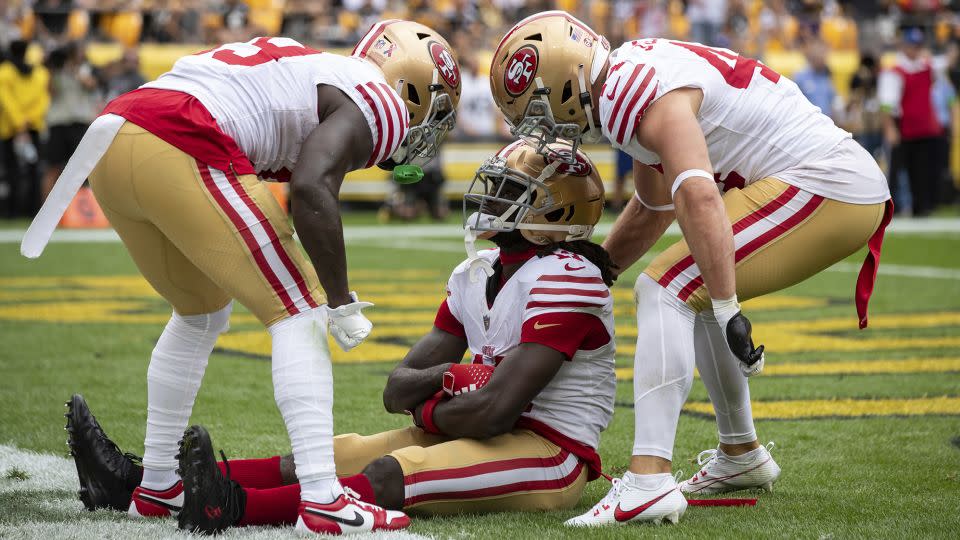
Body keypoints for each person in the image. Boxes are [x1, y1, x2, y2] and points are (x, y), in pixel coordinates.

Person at [24, 22, 461, 536]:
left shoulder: (315, 68)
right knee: (300, 307)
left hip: (116, 132)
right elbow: (311, 187)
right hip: (180, 132)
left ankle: (159, 483)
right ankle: (324, 500)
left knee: (201, 310)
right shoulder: (379, 98)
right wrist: (340, 299)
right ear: (412, 88)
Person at [65, 140, 617, 532]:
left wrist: (432, 410)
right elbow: (395, 389)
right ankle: (140, 481)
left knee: (391, 471)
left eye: (509, 191)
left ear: (554, 211)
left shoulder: (570, 275)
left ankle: (227, 507)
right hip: (481, 425)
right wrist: (448, 379)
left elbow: (497, 410)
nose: (491, 199)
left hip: (550, 452)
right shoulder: (476, 274)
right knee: (337, 454)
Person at [489, 11, 892, 526]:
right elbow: (655, 205)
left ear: (564, 86)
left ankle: (649, 481)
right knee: (687, 288)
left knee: (667, 287)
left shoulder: (633, 92)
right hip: (827, 181)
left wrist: (727, 305)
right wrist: (599, 270)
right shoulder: (626, 78)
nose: (546, 131)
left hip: (829, 183)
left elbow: (699, 195)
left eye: (540, 114)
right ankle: (740, 453)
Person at [879, 27, 943, 217]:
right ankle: (891, 208)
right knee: (895, 170)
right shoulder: (895, 71)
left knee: (922, 171)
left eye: (918, 46)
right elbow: (887, 103)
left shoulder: (927, 67)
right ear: (903, 46)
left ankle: (921, 207)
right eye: (911, 45)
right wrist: (889, 128)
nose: (915, 50)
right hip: (903, 126)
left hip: (924, 128)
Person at [42, 41, 100, 202]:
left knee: (82, 168)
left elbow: (91, 85)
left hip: (79, 122)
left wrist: (72, 69)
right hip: (58, 122)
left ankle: (83, 210)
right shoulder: (56, 70)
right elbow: (50, 92)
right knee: (53, 167)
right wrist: (52, 70)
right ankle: (44, 210)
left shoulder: (86, 69)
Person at [0, 39, 49, 218]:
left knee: (10, 170)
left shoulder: (4, 72)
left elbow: (6, 100)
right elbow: (43, 100)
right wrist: (28, 121)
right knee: (34, 170)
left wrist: (19, 123)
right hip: (33, 127)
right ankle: (33, 210)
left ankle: (11, 212)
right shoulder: (41, 73)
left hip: (10, 128)